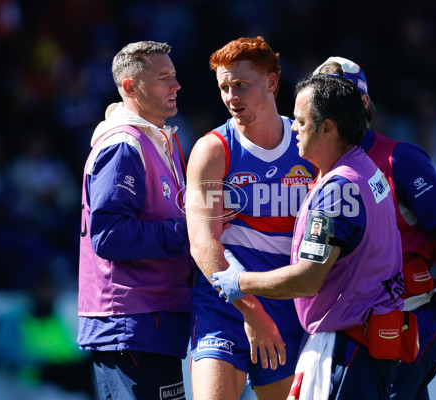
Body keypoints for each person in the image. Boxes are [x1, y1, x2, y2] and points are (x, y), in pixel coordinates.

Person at [211, 74, 407, 399]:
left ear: (328, 128)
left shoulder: (338, 190)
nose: (293, 128)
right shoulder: (365, 171)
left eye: (301, 121)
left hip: (345, 347)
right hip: (366, 342)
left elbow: (307, 279)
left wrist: (240, 282)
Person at [313, 56, 436, 399]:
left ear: (363, 103)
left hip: (407, 320)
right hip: (345, 329)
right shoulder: (311, 166)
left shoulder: (401, 159)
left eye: (339, 96)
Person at [185, 36, 315, 400]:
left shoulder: (307, 146)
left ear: (272, 82)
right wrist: (252, 312)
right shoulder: (213, 149)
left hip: (289, 307)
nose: (231, 96)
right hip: (226, 305)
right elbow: (202, 243)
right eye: (224, 87)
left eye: (241, 84)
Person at [77, 41, 192, 399]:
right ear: (130, 86)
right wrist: (190, 233)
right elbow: (110, 236)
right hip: (131, 322)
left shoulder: (160, 142)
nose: (175, 86)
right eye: (163, 78)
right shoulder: (124, 145)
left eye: (174, 76)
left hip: (151, 322)